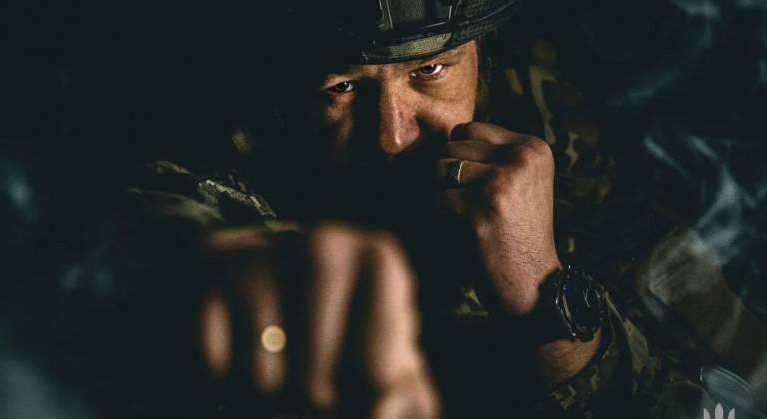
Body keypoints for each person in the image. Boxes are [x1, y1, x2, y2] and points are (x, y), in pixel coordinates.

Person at [118, 0, 761, 417]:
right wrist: (232, 286)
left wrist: (539, 287)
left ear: (482, 60)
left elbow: (721, 380)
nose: (393, 137)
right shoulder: (215, 149)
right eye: (342, 86)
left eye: (429, 71)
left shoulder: (543, 113)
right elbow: (168, 230)